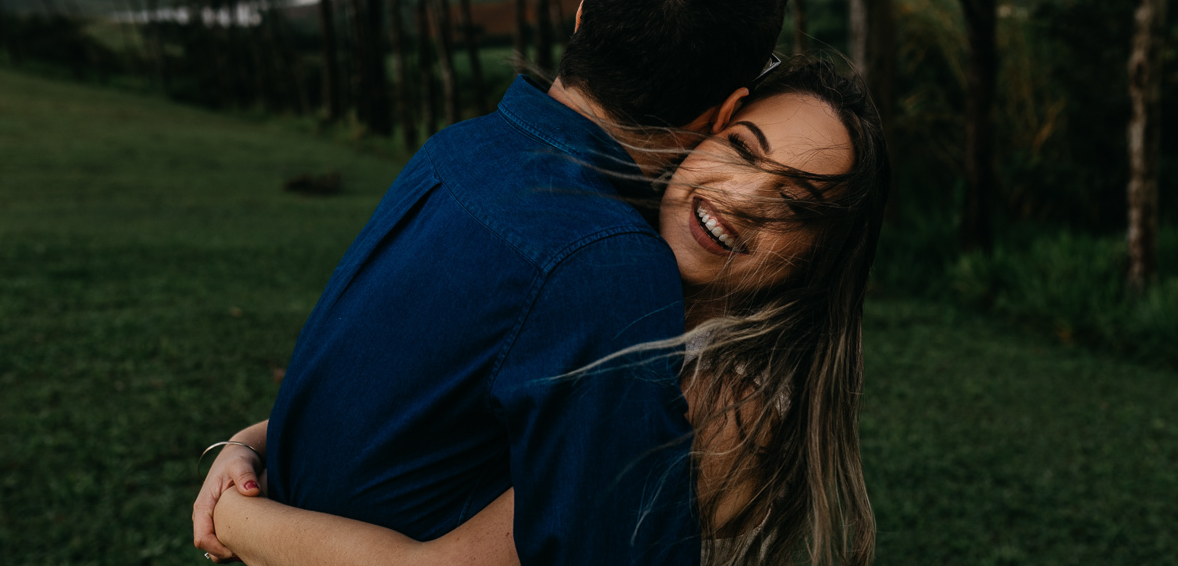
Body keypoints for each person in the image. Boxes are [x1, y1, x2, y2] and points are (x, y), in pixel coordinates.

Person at [194, 0, 792, 566]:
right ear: (727, 111)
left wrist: (246, 455)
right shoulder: (608, 263)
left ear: (584, 17)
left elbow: (377, 396)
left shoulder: (454, 151)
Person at [198, 56, 890, 566]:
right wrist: (250, 446)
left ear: (818, 261)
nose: (744, 200)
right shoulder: (611, 294)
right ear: (700, 134)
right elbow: (442, 417)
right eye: (742, 149)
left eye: (795, 205)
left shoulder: (719, 403)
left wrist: (237, 518)